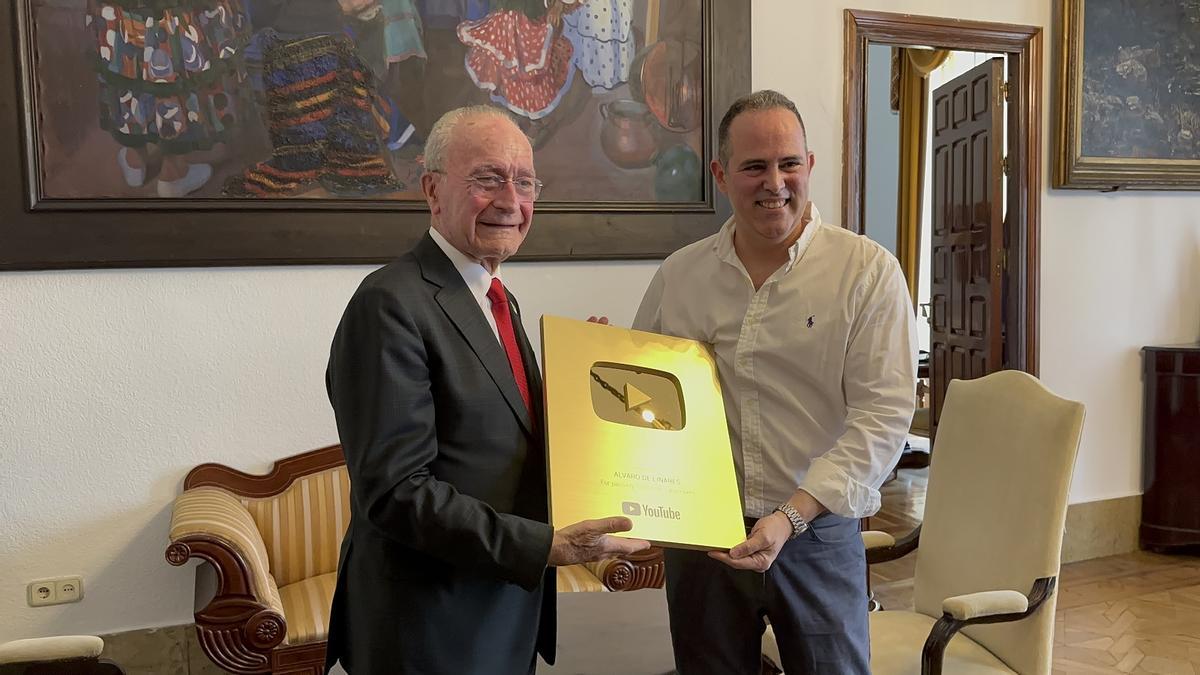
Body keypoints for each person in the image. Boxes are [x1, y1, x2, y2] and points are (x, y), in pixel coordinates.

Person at [324, 105, 649, 674]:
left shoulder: (495, 298)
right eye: (487, 178)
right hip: (428, 625)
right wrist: (545, 546)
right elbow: (397, 492)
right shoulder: (389, 303)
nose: (510, 201)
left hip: (501, 609)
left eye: (525, 182)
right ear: (432, 190)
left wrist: (577, 393)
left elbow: (497, 434)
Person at [632, 89, 918, 674]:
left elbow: (884, 416)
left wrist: (791, 516)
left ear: (809, 165)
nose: (775, 183)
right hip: (704, 537)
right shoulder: (680, 276)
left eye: (789, 163)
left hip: (817, 533)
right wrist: (601, 365)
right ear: (720, 175)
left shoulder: (867, 272)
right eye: (754, 167)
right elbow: (649, 395)